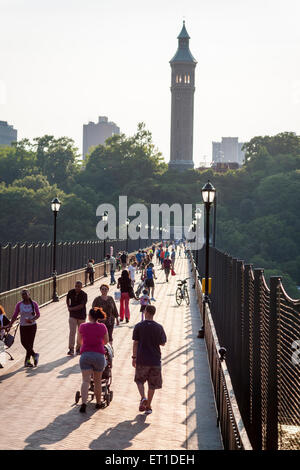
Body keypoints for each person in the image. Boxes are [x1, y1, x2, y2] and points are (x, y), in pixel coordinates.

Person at [132, 305, 167, 415]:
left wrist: (134, 357)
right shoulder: (159, 327)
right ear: (154, 313)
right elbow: (163, 342)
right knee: (152, 384)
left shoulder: (138, 326)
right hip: (155, 360)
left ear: (146, 312)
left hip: (142, 359)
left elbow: (135, 343)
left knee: (139, 380)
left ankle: (143, 397)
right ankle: (148, 406)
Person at [78, 307, 109, 412]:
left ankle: (83, 403)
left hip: (85, 355)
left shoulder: (82, 326)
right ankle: (98, 403)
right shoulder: (102, 327)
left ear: (89, 316)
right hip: (98, 356)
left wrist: (87, 344)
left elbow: (79, 341)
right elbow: (106, 341)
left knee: (85, 380)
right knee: (97, 381)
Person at [9, 289, 40, 367]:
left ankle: (27, 362)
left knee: (30, 344)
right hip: (23, 326)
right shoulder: (19, 304)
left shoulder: (34, 303)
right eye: (22, 294)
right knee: (23, 342)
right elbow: (15, 315)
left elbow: (38, 315)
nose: (24, 296)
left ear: (29, 294)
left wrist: (32, 320)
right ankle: (35, 355)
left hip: (32, 326)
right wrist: (10, 324)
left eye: (25, 294)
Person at [66, 281, 88, 356]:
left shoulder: (84, 295)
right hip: (72, 316)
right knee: (72, 332)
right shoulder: (70, 292)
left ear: (81, 287)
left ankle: (78, 348)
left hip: (81, 316)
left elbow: (81, 305)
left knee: (80, 333)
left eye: (79, 286)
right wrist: (68, 307)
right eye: (76, 286)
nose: (77, 288)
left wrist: (71, 309)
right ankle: (71, 349)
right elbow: (68, 301)